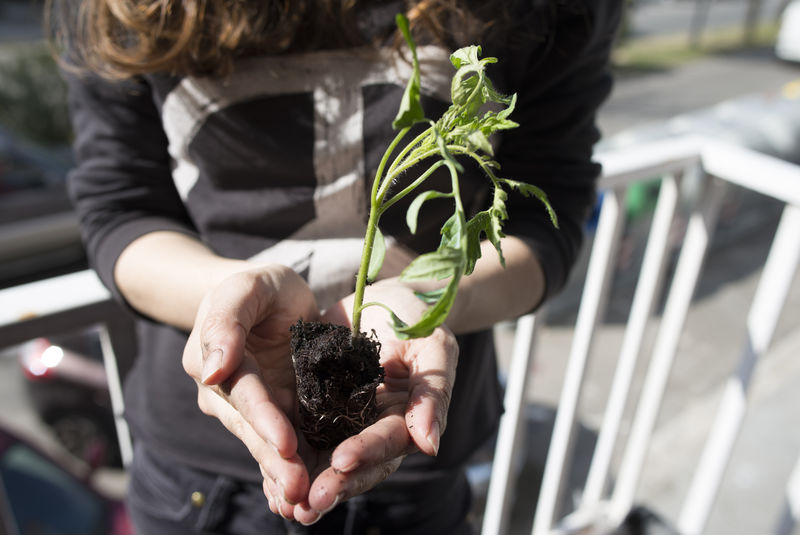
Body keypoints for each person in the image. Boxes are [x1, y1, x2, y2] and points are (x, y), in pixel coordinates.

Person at [53, 0, 622, 533]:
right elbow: (121, 209)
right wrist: (231, 302)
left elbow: (544, 216)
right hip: (199, 475)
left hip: (416, 445)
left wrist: (429, 299)